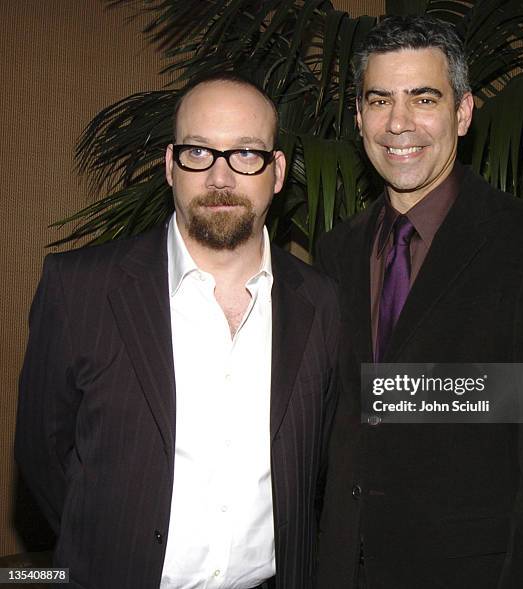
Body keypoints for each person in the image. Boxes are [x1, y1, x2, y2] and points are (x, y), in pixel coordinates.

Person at [16, 73, 338, 589]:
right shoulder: (78, 290)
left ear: (277, 173)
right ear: (170, 166)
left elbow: (325, 466)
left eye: (246, 154)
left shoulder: (323, 303)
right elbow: (43, 456)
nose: (220, 177)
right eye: (199, 152)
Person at [315, 16, 523, 589]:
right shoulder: (334, 252)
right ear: (359, 117)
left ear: (463, 113)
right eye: (380, 100)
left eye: (423, 98)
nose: (399, 123)